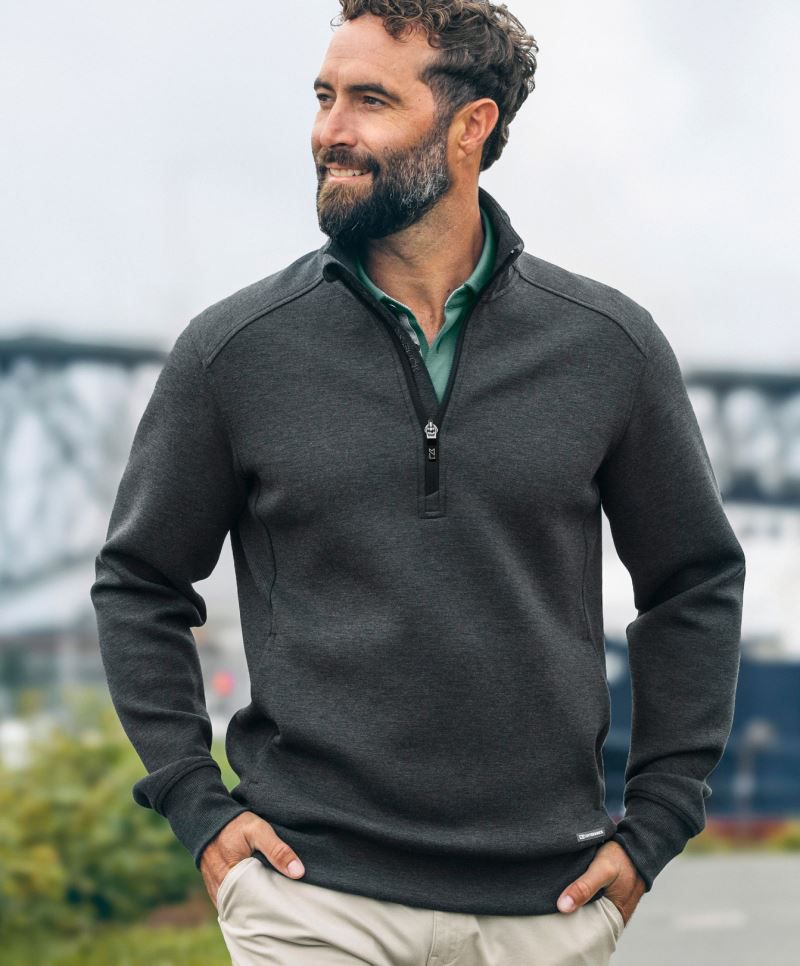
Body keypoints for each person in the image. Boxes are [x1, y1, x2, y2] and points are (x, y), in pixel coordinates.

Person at [90, 2, 746, 963]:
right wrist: (197, 804)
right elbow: (138, 582)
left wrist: (658, 821)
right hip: (309, 897)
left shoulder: (608, 347)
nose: (330, 130)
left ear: (471, 126)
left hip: (544, 903)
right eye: (323, 96)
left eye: (370, 100)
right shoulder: (235, 351)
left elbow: (695, 581)